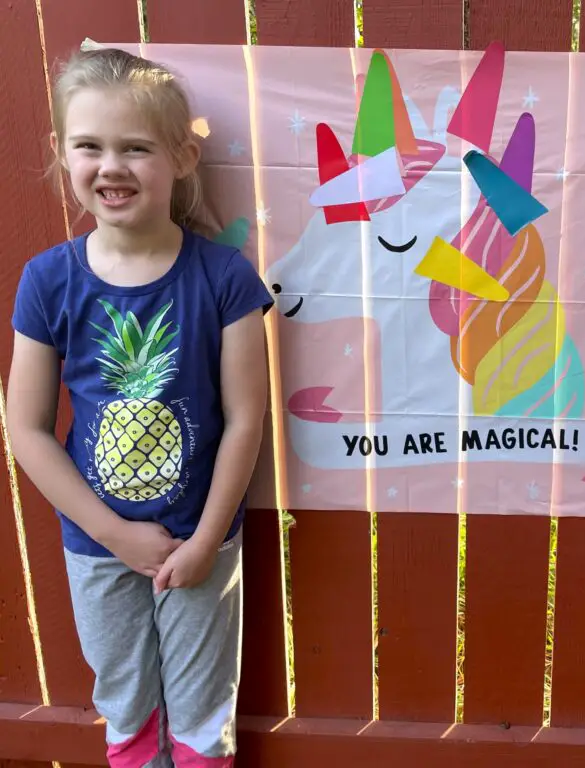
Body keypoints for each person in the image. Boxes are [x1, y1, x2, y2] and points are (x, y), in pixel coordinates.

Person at [6, 46, 273, 767]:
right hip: (98, 547)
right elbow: (25, 428)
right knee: (126, 709)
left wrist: (204, 540)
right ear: (63, 154)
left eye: (136, 147)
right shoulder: (48, 281)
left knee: (201, 713)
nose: (111, 166)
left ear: (183, 158)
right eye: (89, 146)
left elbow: (248, 418)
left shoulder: (225, 278)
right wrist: (114, 533)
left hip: (202, 543)